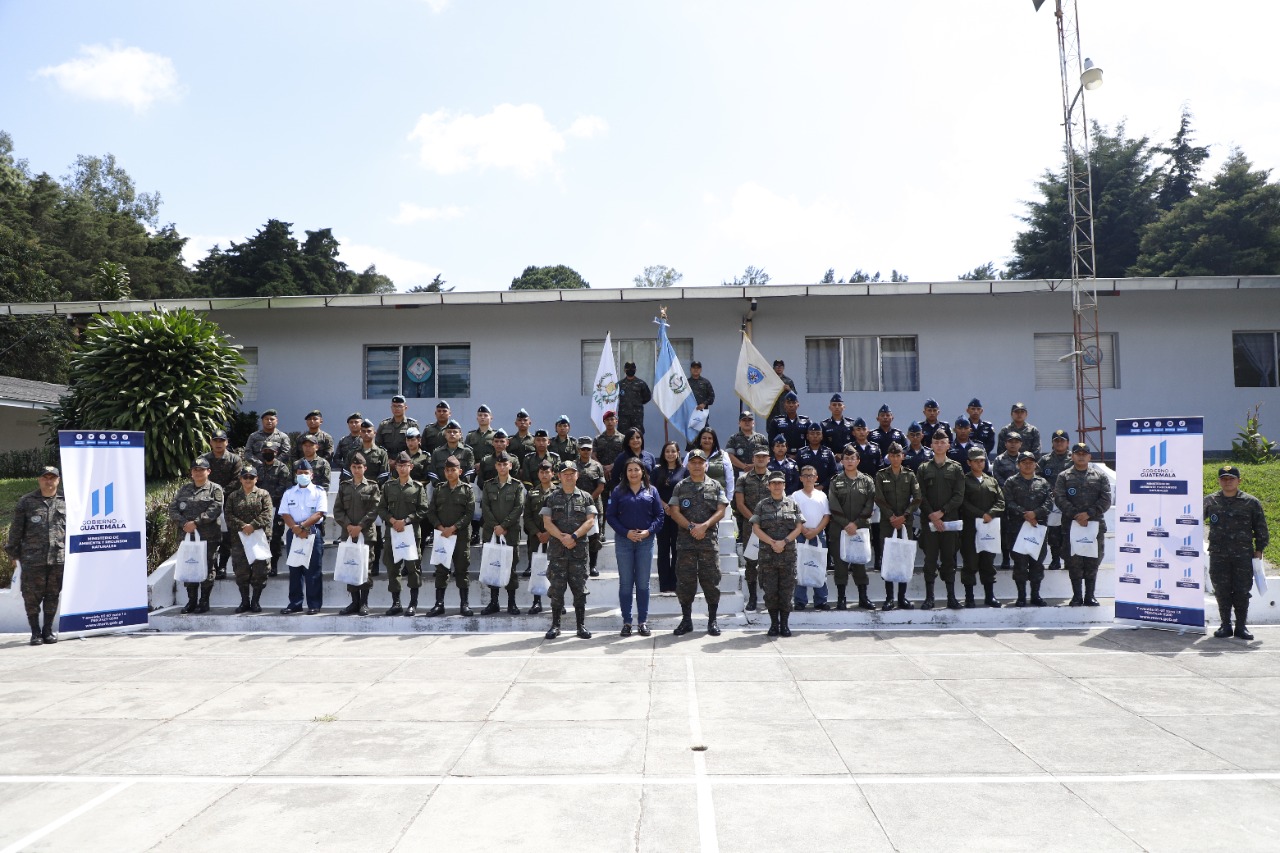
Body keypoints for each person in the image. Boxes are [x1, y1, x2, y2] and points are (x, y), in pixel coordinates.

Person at [668, 450, 729, 636]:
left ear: (705, 465)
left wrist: (704, 526)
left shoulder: (715, 485)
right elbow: (674, 510)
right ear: (687, 465)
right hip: (686, 543)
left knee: (711, 581)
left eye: (700, 462)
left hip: (708, 542)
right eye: (693, 462)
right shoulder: (680, 486)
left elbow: (721, 510)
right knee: (685, 582)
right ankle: (687, 621)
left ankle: (712, 621)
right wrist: (691, 527)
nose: (696, 465)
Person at [1205, 465, 1269, 640]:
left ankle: (1241, 627)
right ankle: (1225, 625)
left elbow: (1261, 528)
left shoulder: (1251, 502)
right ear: (1219, 481)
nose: (1227, 482)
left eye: (1231, 478)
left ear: (1239, 481)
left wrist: (1259, 549)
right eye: (1224, 479)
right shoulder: (1210, 501)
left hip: (1243, 555)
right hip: (1219, 555)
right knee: (1222, 590)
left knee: (1242, 591)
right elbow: (1192, 519)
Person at [6, 466, 66, 644]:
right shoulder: (26, 502)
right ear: (39, 480)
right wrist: (13, 555)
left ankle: (47, 630)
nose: (49, 481)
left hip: (57, 558)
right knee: (31, 596)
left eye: (52, 478)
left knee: (53, 595)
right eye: (45, 478)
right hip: (32, 559)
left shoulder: (67, 501)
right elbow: (16, 530)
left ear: (58, 480)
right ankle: (35, 632)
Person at [608, 457, 665, 637]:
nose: (633, 473)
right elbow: (611, 516)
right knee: (626, 584)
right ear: (625, 473)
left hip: (645, 541)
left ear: (643, 472)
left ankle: (642, 622)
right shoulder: (618, 491)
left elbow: (660, 516)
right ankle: (627, 622)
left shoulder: (652, 491)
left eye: (636, 470)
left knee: (643, 583)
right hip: (624, 541)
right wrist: (626, 533)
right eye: (630, 470)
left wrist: (648, 532)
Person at [541, 460, 597, 639]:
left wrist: (573, 537)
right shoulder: (551, 497)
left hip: (578, 550)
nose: (569, 476)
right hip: (558, 551)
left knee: (579, 589)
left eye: (572, 473)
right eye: (565, 473)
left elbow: (590, 521)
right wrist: (562, 538)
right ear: (559, 476)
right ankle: (555, 625)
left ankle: (581, 625)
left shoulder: (586, 497)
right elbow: (547, 522)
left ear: (577, 475)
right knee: (557, 589)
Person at [1053, 442, 1111, 607]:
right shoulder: (1063, 476)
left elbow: (1106, 499)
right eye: (1077, 453)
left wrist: (1089, 514)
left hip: (1094, 525)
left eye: (1084, 453)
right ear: (1072, 456)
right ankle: (1077, 596)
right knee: (1074, 562)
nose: (1081, 456)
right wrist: (1076, 515)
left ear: (1089, 457)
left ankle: (1090, 596)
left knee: (1093, 561)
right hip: (1072, 525)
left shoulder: (1100, 476)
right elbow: (1059, 498)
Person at [752, 471, 804, 637]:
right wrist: (772, 543)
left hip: (787, 555)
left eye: (779, 483)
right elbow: (756, 528)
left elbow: (798, 527)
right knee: (771, 591)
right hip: (768, 556)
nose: (776, 486)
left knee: (787, 592)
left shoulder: (792, 504)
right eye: (773, 483)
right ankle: (774, 624)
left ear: (784, 485)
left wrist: (784, 542)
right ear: (768, 486)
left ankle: (785, 625)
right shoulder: (761, 505)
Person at [169, 458, 223, 614]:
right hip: (187, 537)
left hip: (208, 537)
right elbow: (173, 509)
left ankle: (204, 601)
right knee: (189, 566)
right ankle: (191, 601)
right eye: (195, 470)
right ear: (191, 472)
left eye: (201, 469)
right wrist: (184, 523)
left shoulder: (215, 489)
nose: (198, 472)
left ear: (208, 471)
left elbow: (216, 509)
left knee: (207, 567)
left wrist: (197, 523)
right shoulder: (184, 489)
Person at [917, 433, 965, 610]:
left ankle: (951, 597)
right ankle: (929, 598)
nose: (939, 445)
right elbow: (919, 495)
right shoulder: (923, 468)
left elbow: (959, 495)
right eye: (936, 442)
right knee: (930, 560)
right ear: (931, 445)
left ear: (948, 445)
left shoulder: (956, 468)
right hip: (929, 523)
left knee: (949, 560)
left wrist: (942, 512)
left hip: (949, 522)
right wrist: (932, 515)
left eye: (942, 442)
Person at [829, 445, 877, 610]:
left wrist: (855, 524)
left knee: (860, 565)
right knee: (841, 566)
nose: (849, 461)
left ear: (858, 460)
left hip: (860, 530)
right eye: (846, 458)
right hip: (840, 530)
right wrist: (846, 524)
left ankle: (863, 598)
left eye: (852, 458)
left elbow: (870, 505)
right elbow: (833, 505)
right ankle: (841, 599)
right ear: (841, 461)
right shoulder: (836, 481)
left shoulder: (867, 481)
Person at [426, 455, 475, 616]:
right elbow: (431, 512)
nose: (450, 473)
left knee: (462, 569)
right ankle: (439, 604)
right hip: (442, 535)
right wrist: (441, 527)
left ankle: (464, 604)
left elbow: (469, 514)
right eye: (447, 470)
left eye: (453, 470)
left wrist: (454, 527)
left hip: (460, 536)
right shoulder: (439, 489)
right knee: (441, 570)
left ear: (460, 471)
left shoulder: (467, 490)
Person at [1003, 451, 1053, 607]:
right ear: (1018, 464)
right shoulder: (1011, 482)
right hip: (1018, 528)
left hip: (1037, 527)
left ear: (1035, 464)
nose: (1027, 464)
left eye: (1031, 462)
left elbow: (1049, 503)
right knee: (1020, 564)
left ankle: (1035, 595)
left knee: (1037, 563)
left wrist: (1035, 514)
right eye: (1024, 462)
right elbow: (1007, 501)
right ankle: (1021, 596)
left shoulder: (1043, 482)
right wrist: (1025, 514)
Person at [874, 443, 922, 609]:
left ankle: (902, 597)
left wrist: (905, 516)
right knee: (888, 559)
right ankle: (889, 598)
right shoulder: (881, 475)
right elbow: (878, 498)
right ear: (889, 457)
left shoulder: (909, 475)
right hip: (888, 523)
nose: (895, 458)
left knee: (903, 559)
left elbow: (917, 498)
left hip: (905, 523)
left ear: (903, 456)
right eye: (892, 455)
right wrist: (891, 516)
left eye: (898, 455)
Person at [381, 454, 429, 615]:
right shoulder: (388, 486)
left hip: (411, 533)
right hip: (392, 532)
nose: (402, 468)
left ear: (411, 467)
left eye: (405, 465)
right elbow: (381, 508)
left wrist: (406, 520)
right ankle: (396, 603)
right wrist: (393, 520)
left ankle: (412, 603)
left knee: (412, 568)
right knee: (392, 568)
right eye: (400, 465)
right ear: (396, 467)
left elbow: (423, 509)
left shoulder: (417, 487)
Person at [278, 458, 327, 614]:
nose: (303, 475)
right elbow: (284, 513)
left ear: (311, 475)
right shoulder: (289, 492)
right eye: (300, 473)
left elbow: (320, 513)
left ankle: (314, 604)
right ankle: (295, 603)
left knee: (313, 570)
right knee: (295, 569)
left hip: (312, 531)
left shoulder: (319, 491)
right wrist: (295, 528)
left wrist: (303, 527)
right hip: (294, 531)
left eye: (306, 473)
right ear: (296, 475)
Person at [334, 453, 381, 616]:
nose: (356, 470)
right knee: (350, 566)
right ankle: (354, 602)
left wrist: (360, 526)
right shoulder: (344, 486)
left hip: (365, 533)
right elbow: (338, 510)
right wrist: (348, 526)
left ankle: (364, 603)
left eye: (359, 467)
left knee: (365, 567)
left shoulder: (373, 486)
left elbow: (375, 509)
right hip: (348, 534)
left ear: (365, 468)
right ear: (350, 469)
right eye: (354, 467)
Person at [480, 451, 526, 616]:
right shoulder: (488, 485)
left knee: (510, 568)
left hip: (510, 533)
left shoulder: (516, 485)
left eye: (505, 464)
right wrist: (495, 526)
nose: (502, 467)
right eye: (499, 464)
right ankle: (494, 602)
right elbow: (485, 507)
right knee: (493, 567)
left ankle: (511, 603)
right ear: (495, 466)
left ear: (510, 465)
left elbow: (518, 507)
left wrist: (504, 525)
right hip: (492, 533)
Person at [223, 466, 274, 614]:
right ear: (240, 479)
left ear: (256, 479)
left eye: (251, 477)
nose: (248, 480)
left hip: (259, 537)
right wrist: (242, 526)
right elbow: (228, 515)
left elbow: (267, 514)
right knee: (241, 571)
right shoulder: (233, 496)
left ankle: (255, 601)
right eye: (245, 477)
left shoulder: (263, 494)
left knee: (260, 570)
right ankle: (244, 601)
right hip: (239, 539)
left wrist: (252, 526)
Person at [959, 447, 1005, 608]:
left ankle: (989, 596)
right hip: (971, 529)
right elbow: (962, 503)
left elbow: (1001, 501)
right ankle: (969, 597)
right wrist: (980, 514)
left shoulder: (991, 480)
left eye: (982, 460)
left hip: (989, 528)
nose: (980, 463)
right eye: (976, 461)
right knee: (970, 562)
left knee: (988, 562)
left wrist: (990, 513)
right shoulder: (964, 481)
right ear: (969, 463)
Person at [734, 447, 772, 612]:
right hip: (750, 526)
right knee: (751, 561)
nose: (761, 459)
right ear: (753, 458)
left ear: (768, 459)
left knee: (771, 561)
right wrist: (755, 521)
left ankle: (769, 596)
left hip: (772, 525)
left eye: (764, 456)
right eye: (758, 457)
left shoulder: (775, 478)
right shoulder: (743, 479)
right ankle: (753, 597)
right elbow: (740, 504)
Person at [790, 465, 831, 611]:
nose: (808, 478)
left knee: (819, 566)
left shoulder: (822, 495)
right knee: (801, 566)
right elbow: (793, 516)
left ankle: (821, 600)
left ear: (816, 478)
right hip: (801, 534)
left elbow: (826, 516)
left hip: (819, 534)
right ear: (801, 478)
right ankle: (800, 600)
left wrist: (816, 530)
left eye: (811, 475)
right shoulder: (795, 496)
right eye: (805, 475)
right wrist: (803, 529)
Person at [203, 429, 241, 579]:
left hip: (227, 502)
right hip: (207, 503)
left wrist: (219, 493)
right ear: (211, 442)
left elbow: (237, 480)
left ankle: (223, 566)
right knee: (209, 536)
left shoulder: (234, 459)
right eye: (215, 440)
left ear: (226, 442)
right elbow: (199, 477)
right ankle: (212, 566)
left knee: (226, 537)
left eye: (221, 441)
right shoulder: (204, 459)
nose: (218, 444)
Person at [651, 440, 686, 595]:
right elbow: (651, 491)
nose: (670, 454)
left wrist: (675, 508)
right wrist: (665, 506)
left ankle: (676, 583)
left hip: (679, 515)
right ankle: (665, 585)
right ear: (663, 454)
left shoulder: (684, 471)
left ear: (678, 453)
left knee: (677, 549)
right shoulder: (657, 471)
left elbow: (686, 492)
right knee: (664, 549)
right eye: (667, 451)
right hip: (662, 515)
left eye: (673, 451)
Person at [522, 459, 556, 614]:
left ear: (552, 474)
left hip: (554, 537)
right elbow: (527, 516)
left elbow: (561, 516)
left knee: (556, 569)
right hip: (536, 537)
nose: (544, 474)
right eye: (541, 472)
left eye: (547, 472)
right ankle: (537, 602)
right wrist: (538, 533)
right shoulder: (532, 493)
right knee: (537, 569)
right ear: (538, 474)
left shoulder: (559, 493)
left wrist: (549, 533)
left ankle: (556, 601)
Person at [1037, 429, 1073, 571]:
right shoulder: (1045, 460)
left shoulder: (1073, 459)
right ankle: (1055, 559)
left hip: (1069, 502)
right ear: (1052, 443)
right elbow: (1038, 478)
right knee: (1054, 532)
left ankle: (1069, 560)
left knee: (1068, 532)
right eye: (1056, 441)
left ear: (1067, 443)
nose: (1059, 443)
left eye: (1062, 441)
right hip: (1051, 502)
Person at [256, 447, 292, 576]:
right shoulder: (258, 468)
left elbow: (284, 487)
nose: (268, 454)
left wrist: (268, 498)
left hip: (277, 506)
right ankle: (260, 565)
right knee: (261, 536)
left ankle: (274, 565)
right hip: (260, 508)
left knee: (276, 537)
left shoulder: (282, 468)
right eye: (265, 451)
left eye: (270, 452)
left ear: (276, 453)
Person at [991, 431, 1024, 569]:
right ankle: (1005, 558)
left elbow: (1031, 474)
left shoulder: (1025, 458)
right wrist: (1009, 487)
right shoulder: (999, 459)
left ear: (1020, 444)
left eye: (1016, 441)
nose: (1013, 444)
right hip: (1004, 499)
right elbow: (996, 476)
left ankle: (1020, 559)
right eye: (1010, 441)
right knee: (1004, 530)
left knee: (1021, 530)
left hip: (1022, 499)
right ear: (1006, 443)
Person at [575, 439, 606, 576]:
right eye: (583, 449)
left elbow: (601, 486)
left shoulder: (597, 466)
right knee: (577, 535)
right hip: (576, 505)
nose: (586, 451)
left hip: (593, 506)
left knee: (594, 536)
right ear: (578, 450)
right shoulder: (573, 465)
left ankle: (592, 566)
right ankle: (578, 565)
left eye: (588, 449)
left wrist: (588, 500)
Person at [593, 410, 626, 535]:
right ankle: (601, 532)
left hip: (618, 476)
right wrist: (603, 468)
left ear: (616, 421)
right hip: (603, 477)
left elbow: (625, 455)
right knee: (603, 505)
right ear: (604, 422)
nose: (610, 422)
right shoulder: (598, 439)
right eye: (607, 420)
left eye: (612, 419)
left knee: (621, 503)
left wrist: (612, 466)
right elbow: (594, 455)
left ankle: (623, 530)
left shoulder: (623, 438)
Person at [685, 427, 734, 506]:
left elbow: (730, 479)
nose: (707, 440)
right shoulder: (690, 455)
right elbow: (684, 475)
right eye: (704, 438)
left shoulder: (723, 455)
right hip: (694, 500)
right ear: (700, 440)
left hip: (718, 500)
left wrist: (729, 500)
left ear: (714, 441)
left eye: (710, 438)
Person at [607, 427, 655, 492]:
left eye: (638, 437)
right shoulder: (621, 458)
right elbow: (615, 479)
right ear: (628, 442)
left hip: (647, 493)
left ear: (642, 439)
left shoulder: (650, 457)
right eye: (631, 438)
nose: (635, 440)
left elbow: (654, 477)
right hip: (627, 494)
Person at [428, 420, 475, 484]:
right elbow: (433, 473)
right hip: (441, 490)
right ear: (445, 435)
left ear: (460, 434)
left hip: (462, 490)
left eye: (455, 432)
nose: (452, 434)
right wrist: (440, 487)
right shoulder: (437, 453)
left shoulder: (467, 452)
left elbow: (470, 472)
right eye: (449, 432)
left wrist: (460, 486)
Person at [796, 422, 838, 490]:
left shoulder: (828, 452)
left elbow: (834, 474)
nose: (815, 436)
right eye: (812, 434)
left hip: (825, 491)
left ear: (822, 436)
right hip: (805, 490)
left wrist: (822, 486)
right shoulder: (801, 453)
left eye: (818, 434)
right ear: (807, 436)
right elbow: (797, 474)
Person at [768, 392, 809, 457]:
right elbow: (772, 443)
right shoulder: (776, 422)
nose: (791, 405)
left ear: (798, 404)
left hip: (802, 457)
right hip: (782, 458)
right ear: (784, 405)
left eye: (793, 403)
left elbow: (810, 443)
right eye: (788, 403)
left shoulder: (806, 422)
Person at [617, 361, 652, 436]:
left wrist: (637, 404)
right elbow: (614, 397)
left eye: (632, 368)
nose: (630, 370)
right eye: (628, 368)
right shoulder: (619, 384)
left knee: (637, 436)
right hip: (623, 416)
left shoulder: (641, 384)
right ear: (624, 370)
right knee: (622, 437)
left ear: (635, 370)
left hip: (637, 416)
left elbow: (647, 397)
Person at [333, 412, 365, 478]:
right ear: (348, 424)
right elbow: (336, 458)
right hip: (346, 474)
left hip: (362, 473)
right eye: (351, 422)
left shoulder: (365, 439)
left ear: (361, 423)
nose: (353, 424)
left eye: (356, 422)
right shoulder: (343, 440)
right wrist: (347, 465)